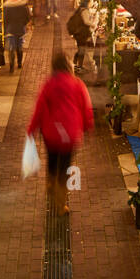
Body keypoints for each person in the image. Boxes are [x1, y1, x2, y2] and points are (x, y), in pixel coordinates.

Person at [27, 51, 94, 215]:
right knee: (65, 167)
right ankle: (61, 204)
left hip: (50, 133)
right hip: (70, 134)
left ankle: (50, 183)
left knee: (51, 161)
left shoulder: (48, 85)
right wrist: (87, 126)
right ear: (68, 65)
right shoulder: (77, 84)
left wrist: (32, 130)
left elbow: (39, 109)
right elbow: (86, 108)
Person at [2, 0, 31, 74]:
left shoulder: (7, 6)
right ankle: (19, 63)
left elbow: (5, 18)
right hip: (20, 28)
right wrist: (24, 24)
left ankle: (11, 65)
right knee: (19, 47)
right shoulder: (23, 5)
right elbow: (27, 17)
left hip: (10, 29)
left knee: (11, 48)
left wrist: (6, 27)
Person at [68, 0, 97, 72]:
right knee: (82, 49)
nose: (92, 4)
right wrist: (93, 24)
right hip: (81, 34)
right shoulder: (84, 11)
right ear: (87, 3)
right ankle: (78, 66)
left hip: (79, 33)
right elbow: (86, 21)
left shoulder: (81, 9)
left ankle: (75, 64)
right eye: (91, 2)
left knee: (81, 49)